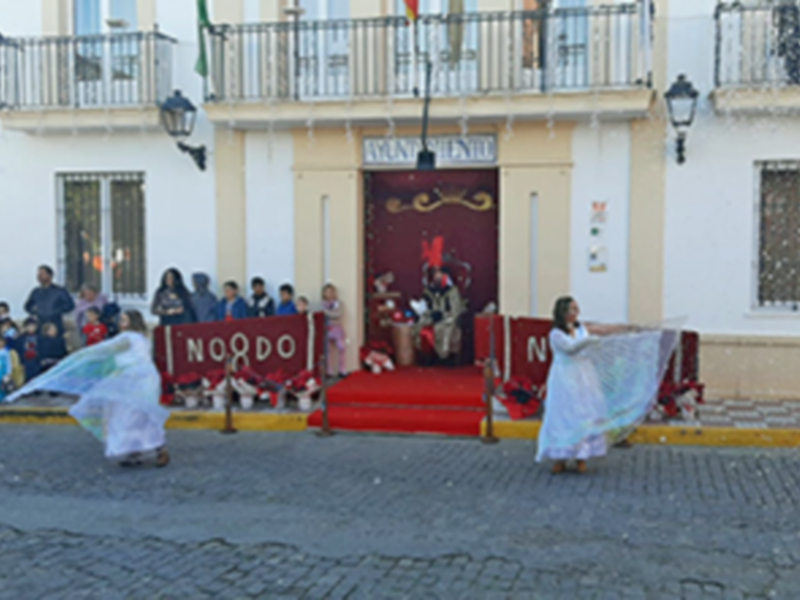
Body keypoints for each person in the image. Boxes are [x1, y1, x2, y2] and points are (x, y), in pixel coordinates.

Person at [6, 310, 171, 468]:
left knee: (126, 415)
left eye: (124, 320)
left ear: (131, 322)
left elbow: (105, 350)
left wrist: (83, 356)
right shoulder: (143, 338)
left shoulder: (127, 338)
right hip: (142, 380)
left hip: (133, 381)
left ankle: (146, 450)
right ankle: (142, 451)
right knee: (139, 415)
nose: (120, 323)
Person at [536, 296, 625, 475]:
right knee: (564, 413)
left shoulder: (580, 328)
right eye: (572, 310)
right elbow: (570, 349)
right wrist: (589, 341)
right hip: (564, 376)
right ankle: (560, 456)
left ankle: (581, 456)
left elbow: (590, 341)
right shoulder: (556, 333)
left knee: (585, 412)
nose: (576, 313)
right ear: (563, 313)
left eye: (577, 309)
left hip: (583, 375)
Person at [413, 267, 464, 366]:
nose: (437, 276)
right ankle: (426, 355)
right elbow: (424, 306)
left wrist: (443, 315)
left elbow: (456, 309)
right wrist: (429, 313)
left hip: (447, 317)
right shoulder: (428, 291)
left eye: (439, 274)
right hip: (431, 316)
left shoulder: (452, 291)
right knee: (420, 325)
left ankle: (445, 357)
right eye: (435, 274)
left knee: (445, 327)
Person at [24, 265, 75, 335]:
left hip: (55, 324)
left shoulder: (59, 291)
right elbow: (27, 306)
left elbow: (70, 305)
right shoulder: (36, 292)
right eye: (38, 274)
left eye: (42, 274)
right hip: (40, 324)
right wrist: (36, 311)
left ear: (50, 276)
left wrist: (56, 311)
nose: (39, 276)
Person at [322, 284, 346, 378]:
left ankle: (342, 370)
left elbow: (338, 314)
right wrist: (329, 312)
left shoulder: (339, 303)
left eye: (331, 291)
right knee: (327, 351)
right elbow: (322, 314)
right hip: (327, 329)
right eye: (327, 292)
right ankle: (329, 371)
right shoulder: (322, 303)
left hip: (337, 328)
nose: (329, 293)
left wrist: (327, 312)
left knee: (341, 348)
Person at [20, 318, 40, 382]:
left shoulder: (39, 336)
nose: (31, 328)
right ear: (25, 327)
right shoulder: (22, 337)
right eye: (29, 326)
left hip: (37, 360)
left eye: (33, 326)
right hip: (26, 360)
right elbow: (20, 349)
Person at [0, 337, 13, 401]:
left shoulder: (6, 352)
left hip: (3, 371)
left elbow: (8, 362)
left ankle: (2, 398)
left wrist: (9, 372)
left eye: (1, 341)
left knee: (3, 384)